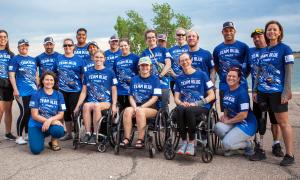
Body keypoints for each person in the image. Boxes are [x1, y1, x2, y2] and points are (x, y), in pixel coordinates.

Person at [253, 20, 295, 166]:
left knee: (282, 123)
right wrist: (255, 90)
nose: (271, 32)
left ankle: (290, 154)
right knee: (262, 121)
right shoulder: (263, 51)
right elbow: (258, 72)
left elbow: (289, 72)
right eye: (269, 30)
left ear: (279, 32)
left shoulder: (285, 49)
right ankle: (260, 150)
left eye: (274, 29)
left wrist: (287, 91)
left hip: (277, 92)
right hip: (262, 92)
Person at [246, 28, 284, 161]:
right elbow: (246, 70)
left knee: (275, 119)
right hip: (258, 92)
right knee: (259, 119)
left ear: (265, 37)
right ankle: (258, 144)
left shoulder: (272, 50)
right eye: (254, 37)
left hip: (273, 91)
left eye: (259, 36)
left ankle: (276, 144)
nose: (257, 39)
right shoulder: (250, 52)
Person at [174, 53, 215, 156]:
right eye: (182, 60)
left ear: (191, 60)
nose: (185, 62)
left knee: (189, 110)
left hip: (201, 106)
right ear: (179, 63)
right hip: (185, 105)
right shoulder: (179, 78)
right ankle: (184, 142)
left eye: (187, 59)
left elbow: (212, 95)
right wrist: (182, 103)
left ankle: (192, 142)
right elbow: (176, 98)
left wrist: (196, 103)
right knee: (179, 110)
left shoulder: (202, 75)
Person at [74, 50, 118, 144]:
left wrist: (114, 105)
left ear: (104, 59)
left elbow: (114, 90)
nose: (99, 59)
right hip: (91, 101)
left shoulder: (110, 72)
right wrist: (78, 106)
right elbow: (83, 92)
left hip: (105, 101)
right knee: (86, 106)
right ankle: (88, 133)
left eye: (101, 57)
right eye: (97, 57)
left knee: (96, 105)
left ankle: (95, 134)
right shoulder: (88, 73)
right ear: (93, 58)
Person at [214, 67, 257, 157]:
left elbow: (243, 115)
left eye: (234, 76)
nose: (231, 78)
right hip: (234, 121)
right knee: (217, 127)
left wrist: (228, 121)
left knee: (225, 144)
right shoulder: (227, 90)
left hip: (246, 124)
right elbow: (226, 106)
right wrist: (225, 116)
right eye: (229, 76)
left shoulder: (242, 93)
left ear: (238, 79)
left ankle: (248, 144)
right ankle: (233, 144)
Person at [120, 57, 161, 148]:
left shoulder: (155, 80)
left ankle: (140, 139)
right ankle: (127, 138)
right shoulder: (134, 79)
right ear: (139, 67)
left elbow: (155, 98)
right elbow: (131, 96)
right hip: (136, 106)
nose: (144, 67)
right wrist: (134, 107)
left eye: (146, 65)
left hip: (151, 108)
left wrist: (141, 107)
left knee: (140, 111)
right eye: (142, 65)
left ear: (150, 66)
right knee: (127, 110)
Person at [213, 21, 249, 112]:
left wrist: (241, 76)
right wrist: (223, 76)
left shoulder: (243, 46)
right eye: (226, 31)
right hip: (224, 85)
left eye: (231, 30)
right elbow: (216, 66)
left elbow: (248, 65)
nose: (228, 33)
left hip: (241, 84)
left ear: (234, 31)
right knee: (226, 111)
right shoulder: (217, 49)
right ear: (222, 32)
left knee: (243, 110)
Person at [9, 39, 38, 145]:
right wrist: (15, 89)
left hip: (33, 91)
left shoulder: (33, 59)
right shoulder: (15, 59)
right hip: (21, 91)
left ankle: (27, 134)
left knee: (30, 113)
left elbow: (35, 75)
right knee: (24, 112)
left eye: (26, 45)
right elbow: (11, 75)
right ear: (18, 47)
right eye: (22, 46)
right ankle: (19, 136)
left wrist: (38, 86)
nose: (24, 47)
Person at [28, 71, 65, 154]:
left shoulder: (59, 95)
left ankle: (53, 141)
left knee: (59, 130)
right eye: (47, 80)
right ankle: (39, 136)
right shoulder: (36, 94)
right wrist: (47, 121)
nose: (49, 82)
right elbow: (34, 115)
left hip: (50, 123)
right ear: (42, 81)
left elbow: (61, 114)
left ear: (54, 82)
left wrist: (50, 120)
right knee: (36, 150)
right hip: (36, 124)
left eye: (51, 80)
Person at [55, 38, 84, 141]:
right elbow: (55, 74)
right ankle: (68, 133)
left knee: (75, 112)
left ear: (73, 47)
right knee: (65, 112)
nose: (67, 47)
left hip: (75, 90)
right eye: (65, 45)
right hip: (62, 90)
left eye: (69, 45)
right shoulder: (59, 58)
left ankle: (77, 134)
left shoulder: (79, 60)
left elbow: (82, 76)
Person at [141, 29, 172, 109]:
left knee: (163, 104)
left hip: (163, 82)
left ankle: (166, 119)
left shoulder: (163, 50)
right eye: (149, 38)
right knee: (151, 105)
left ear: (156, 38)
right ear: (146, 40)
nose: (151, 39)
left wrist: (160, 75)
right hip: (150, 82)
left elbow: (168, 64)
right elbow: (141, 68)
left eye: (153, 37)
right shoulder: (144, 53)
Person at [113, 39, 139, 111]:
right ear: (119, 47)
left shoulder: (136, 58)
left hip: (133, 89)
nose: (123, 47)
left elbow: (140, 72)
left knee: (132, 111)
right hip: (120, 90)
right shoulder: (117, 60)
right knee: (122, 112)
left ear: (129, 46)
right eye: (121, 46)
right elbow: (115, 74)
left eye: (125, 45)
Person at [0, 29, 16, 141]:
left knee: (8, 110)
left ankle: (8, 132)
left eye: (5, 37)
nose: (3, 39)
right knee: (0, 110)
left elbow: (14, 71)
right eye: (0, 37)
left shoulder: (11, 54)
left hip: (8, 85)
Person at [169, 27, 189, 94]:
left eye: (183, 35)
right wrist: (174, 75)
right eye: (178, 35)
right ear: (175, 36)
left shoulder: (190, 47)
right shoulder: (170, 50)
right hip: (174, 79)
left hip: (188, 79)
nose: (181, 36)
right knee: (178, 101)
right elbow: (168, 64)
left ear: (185, 36)